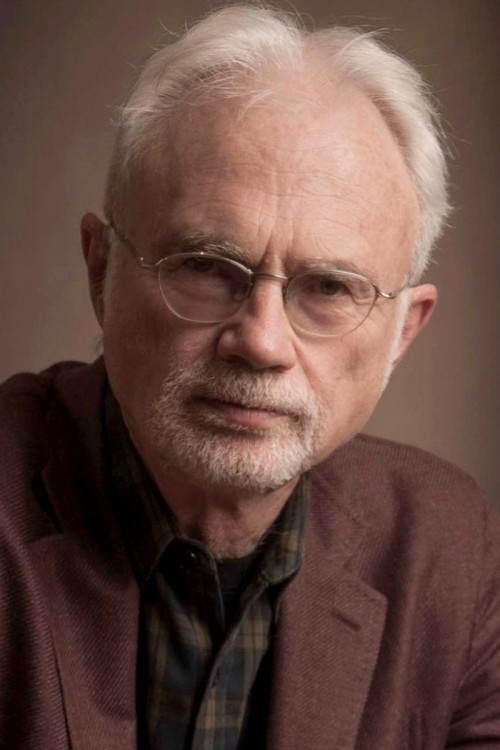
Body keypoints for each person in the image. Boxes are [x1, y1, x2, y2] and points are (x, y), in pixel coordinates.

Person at [1, 5, 499, 749]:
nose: (261, 343)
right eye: (207, 267)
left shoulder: (450, 547)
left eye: (328, 288)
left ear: (403, 329)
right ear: (102, 270)